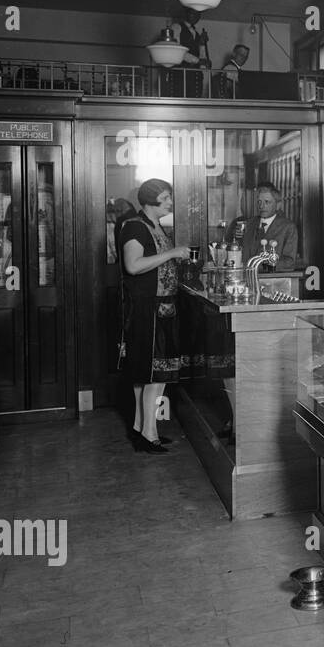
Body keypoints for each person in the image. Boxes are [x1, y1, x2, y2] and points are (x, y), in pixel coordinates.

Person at [118, 178, 190, 454]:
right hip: (146, 309)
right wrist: (172, 252)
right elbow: (133, 266)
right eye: (166, 197)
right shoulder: (135, 227)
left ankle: (141, 429)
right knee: (153, 372)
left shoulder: (154, 226)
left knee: (147, 372)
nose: (170, 202)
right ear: (151, 200)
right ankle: (149, 434)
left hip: (161, 306)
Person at [226, 183, 299, 270]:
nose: (262, 206)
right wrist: (235, 239)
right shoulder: (248, 224)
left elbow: (289, 262)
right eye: (259, 202)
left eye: (267, 202)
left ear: (278, 205)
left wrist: (259, 266)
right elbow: (235, 253)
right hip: (246, 278)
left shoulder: (288, 228)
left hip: (272, 280)